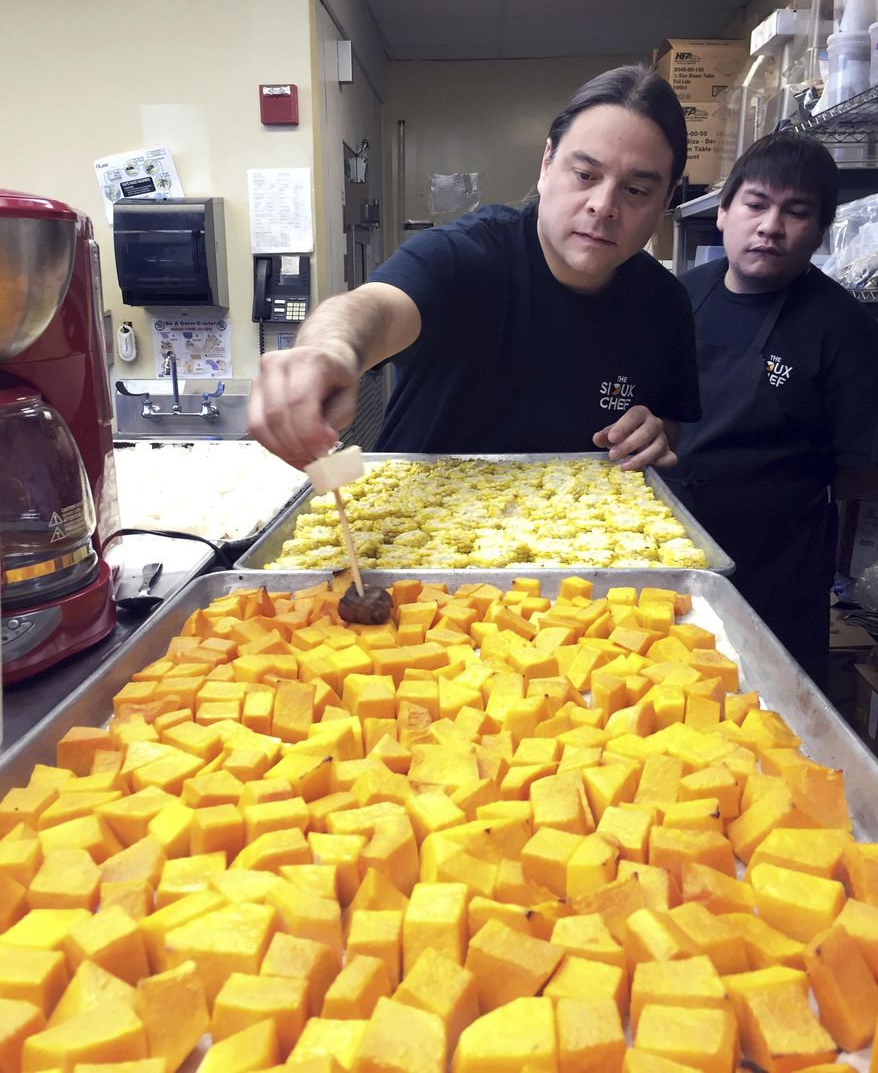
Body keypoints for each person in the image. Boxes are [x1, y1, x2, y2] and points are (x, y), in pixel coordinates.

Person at [248, 64, 700, 473]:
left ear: (664, 202)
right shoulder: (466, 256)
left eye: (636, 190)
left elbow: (669, 426)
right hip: (414, 537)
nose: (603, 206)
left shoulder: (665, 303)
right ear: (547, 165)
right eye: (585, 175)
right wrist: (330, 352)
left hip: (579, 551)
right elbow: (374, 307)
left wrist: (653, 434)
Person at [662, 132, 878, 689]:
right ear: (724, 211)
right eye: (756, 204)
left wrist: (769, 496)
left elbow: (859, 469)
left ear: (820, 230)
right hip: (669, 539)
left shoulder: (844, 327)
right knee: (660, 685)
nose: (770, 226)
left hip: (776, 558)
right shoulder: (677, 299)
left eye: (796, 212)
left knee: (767, 698)